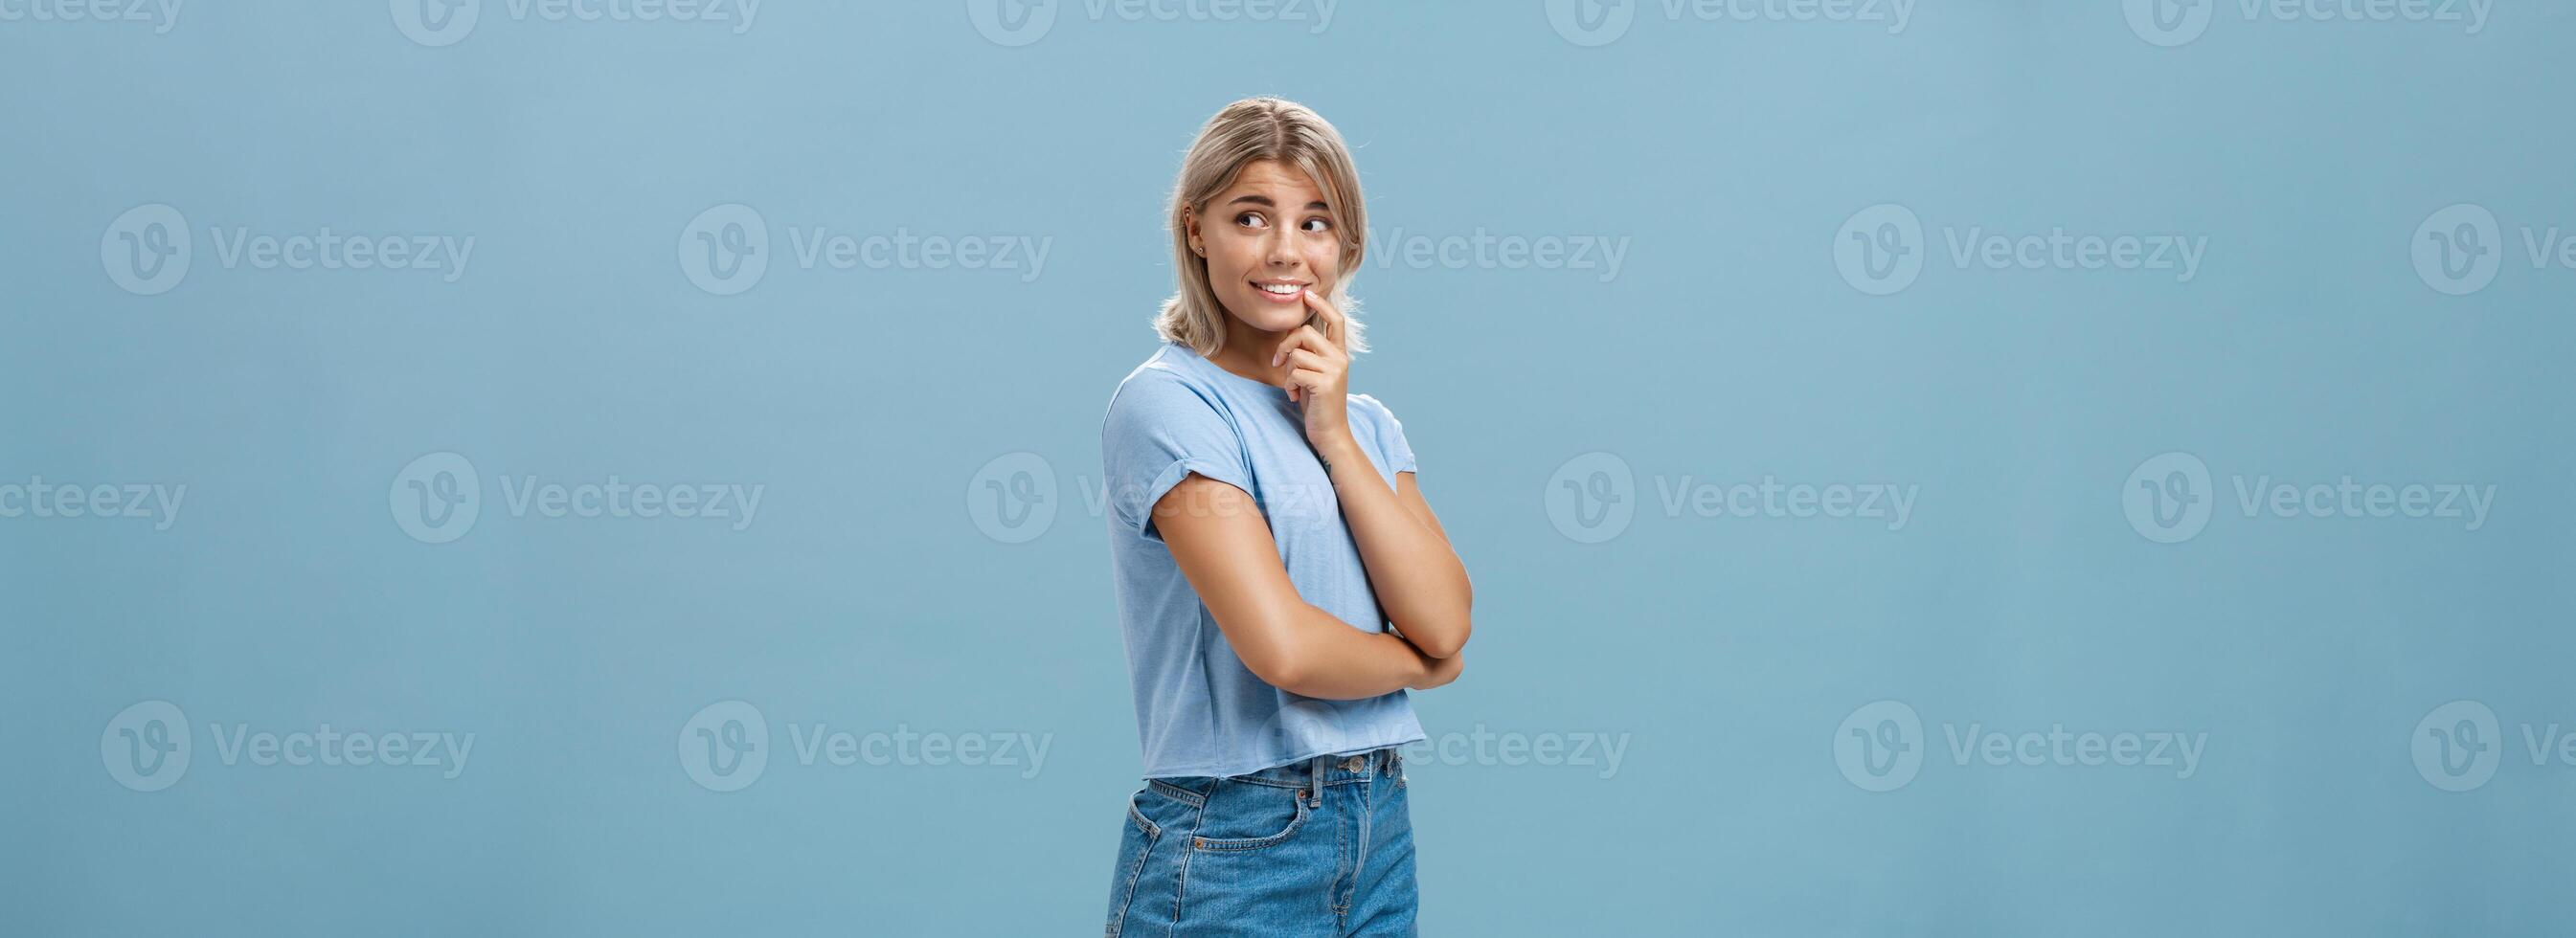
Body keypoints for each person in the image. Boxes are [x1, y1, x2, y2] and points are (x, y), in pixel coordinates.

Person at [1098, 97, 1476, 936]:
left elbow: (1447, 617)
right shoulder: (1170, 407)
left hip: (1377, 822)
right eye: (1250, 216)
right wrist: (1419, 668)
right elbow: (1286, 649)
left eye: (1315, 223)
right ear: (1196, 230)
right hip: (1235, 838)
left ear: (1345, 245)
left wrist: (1334, 434)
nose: (1285, 252)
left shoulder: (1365, 422)